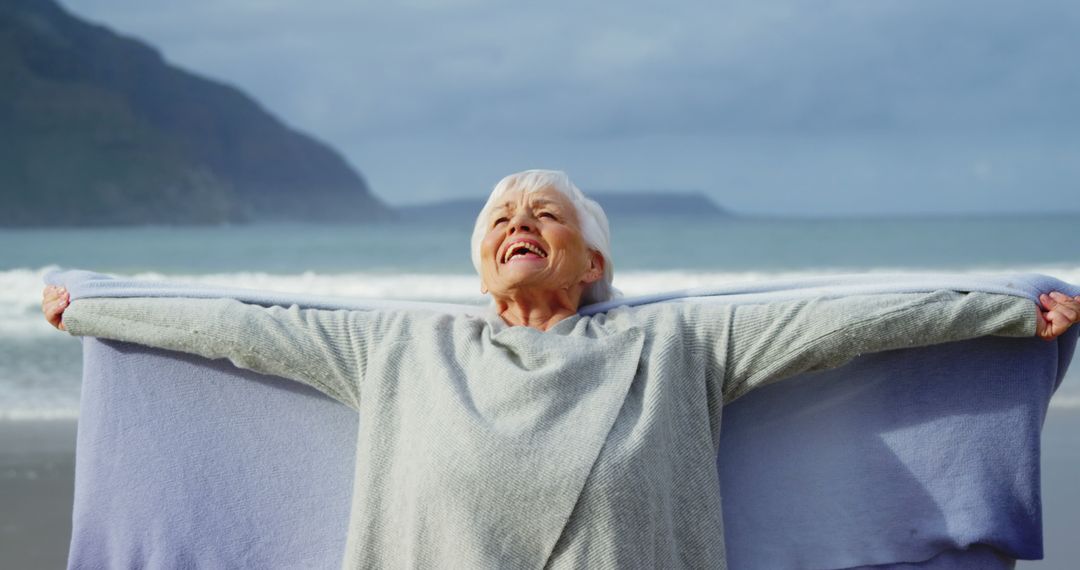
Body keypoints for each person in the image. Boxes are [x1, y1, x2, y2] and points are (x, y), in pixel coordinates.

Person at [42, 169, 1080, 568]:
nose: (518, 221)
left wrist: (1002, 308)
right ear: (480, 260)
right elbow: (238, 324)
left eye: (547, 212)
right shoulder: (401, 349)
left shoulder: (683, 344)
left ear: (595, 262)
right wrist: (92, 302)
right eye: (500, 215)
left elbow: (836, 319)